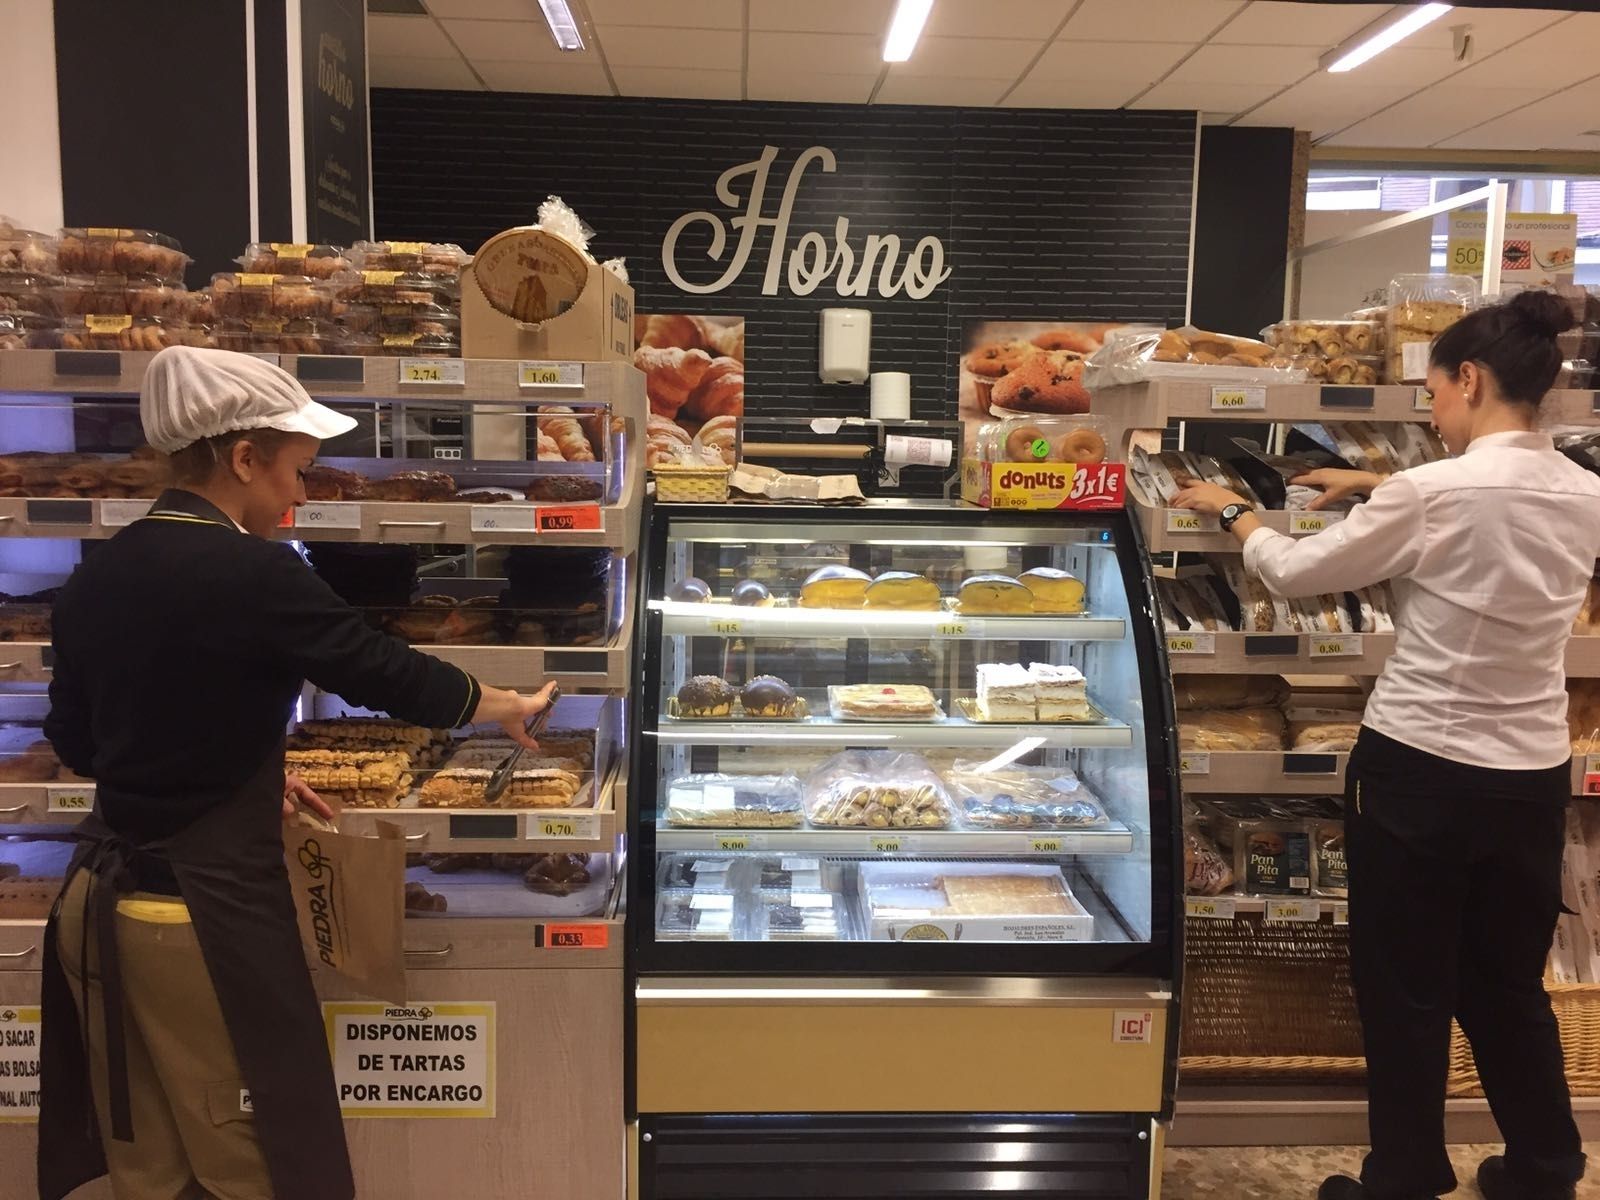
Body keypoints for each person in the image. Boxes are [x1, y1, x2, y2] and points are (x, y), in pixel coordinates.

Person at [37, 346, 557, 1200]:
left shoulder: (101, 571)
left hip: (96, 910)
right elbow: (377, 667)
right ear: (243, 458)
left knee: (150, 1167)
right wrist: (497, 702)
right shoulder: (255, 572)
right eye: (296, 470)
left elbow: (82, 742)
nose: (301, 494)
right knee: (252, 1164)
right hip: (193, 922)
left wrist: (241, 769)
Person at [1172, 289, 1600, 1200]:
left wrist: (1232, 514)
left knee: (1405, 984)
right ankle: (1547, 1164)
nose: (1434, 415)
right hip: (1530, 771)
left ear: (1471, 380)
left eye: (1437, 395)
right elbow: (1483, 511)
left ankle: (1406, 1171)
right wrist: (1374, 487)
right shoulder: (1581, 488)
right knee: (1506, 985)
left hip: (1421, 771)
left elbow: (1292, 570)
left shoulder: (1432, 491)